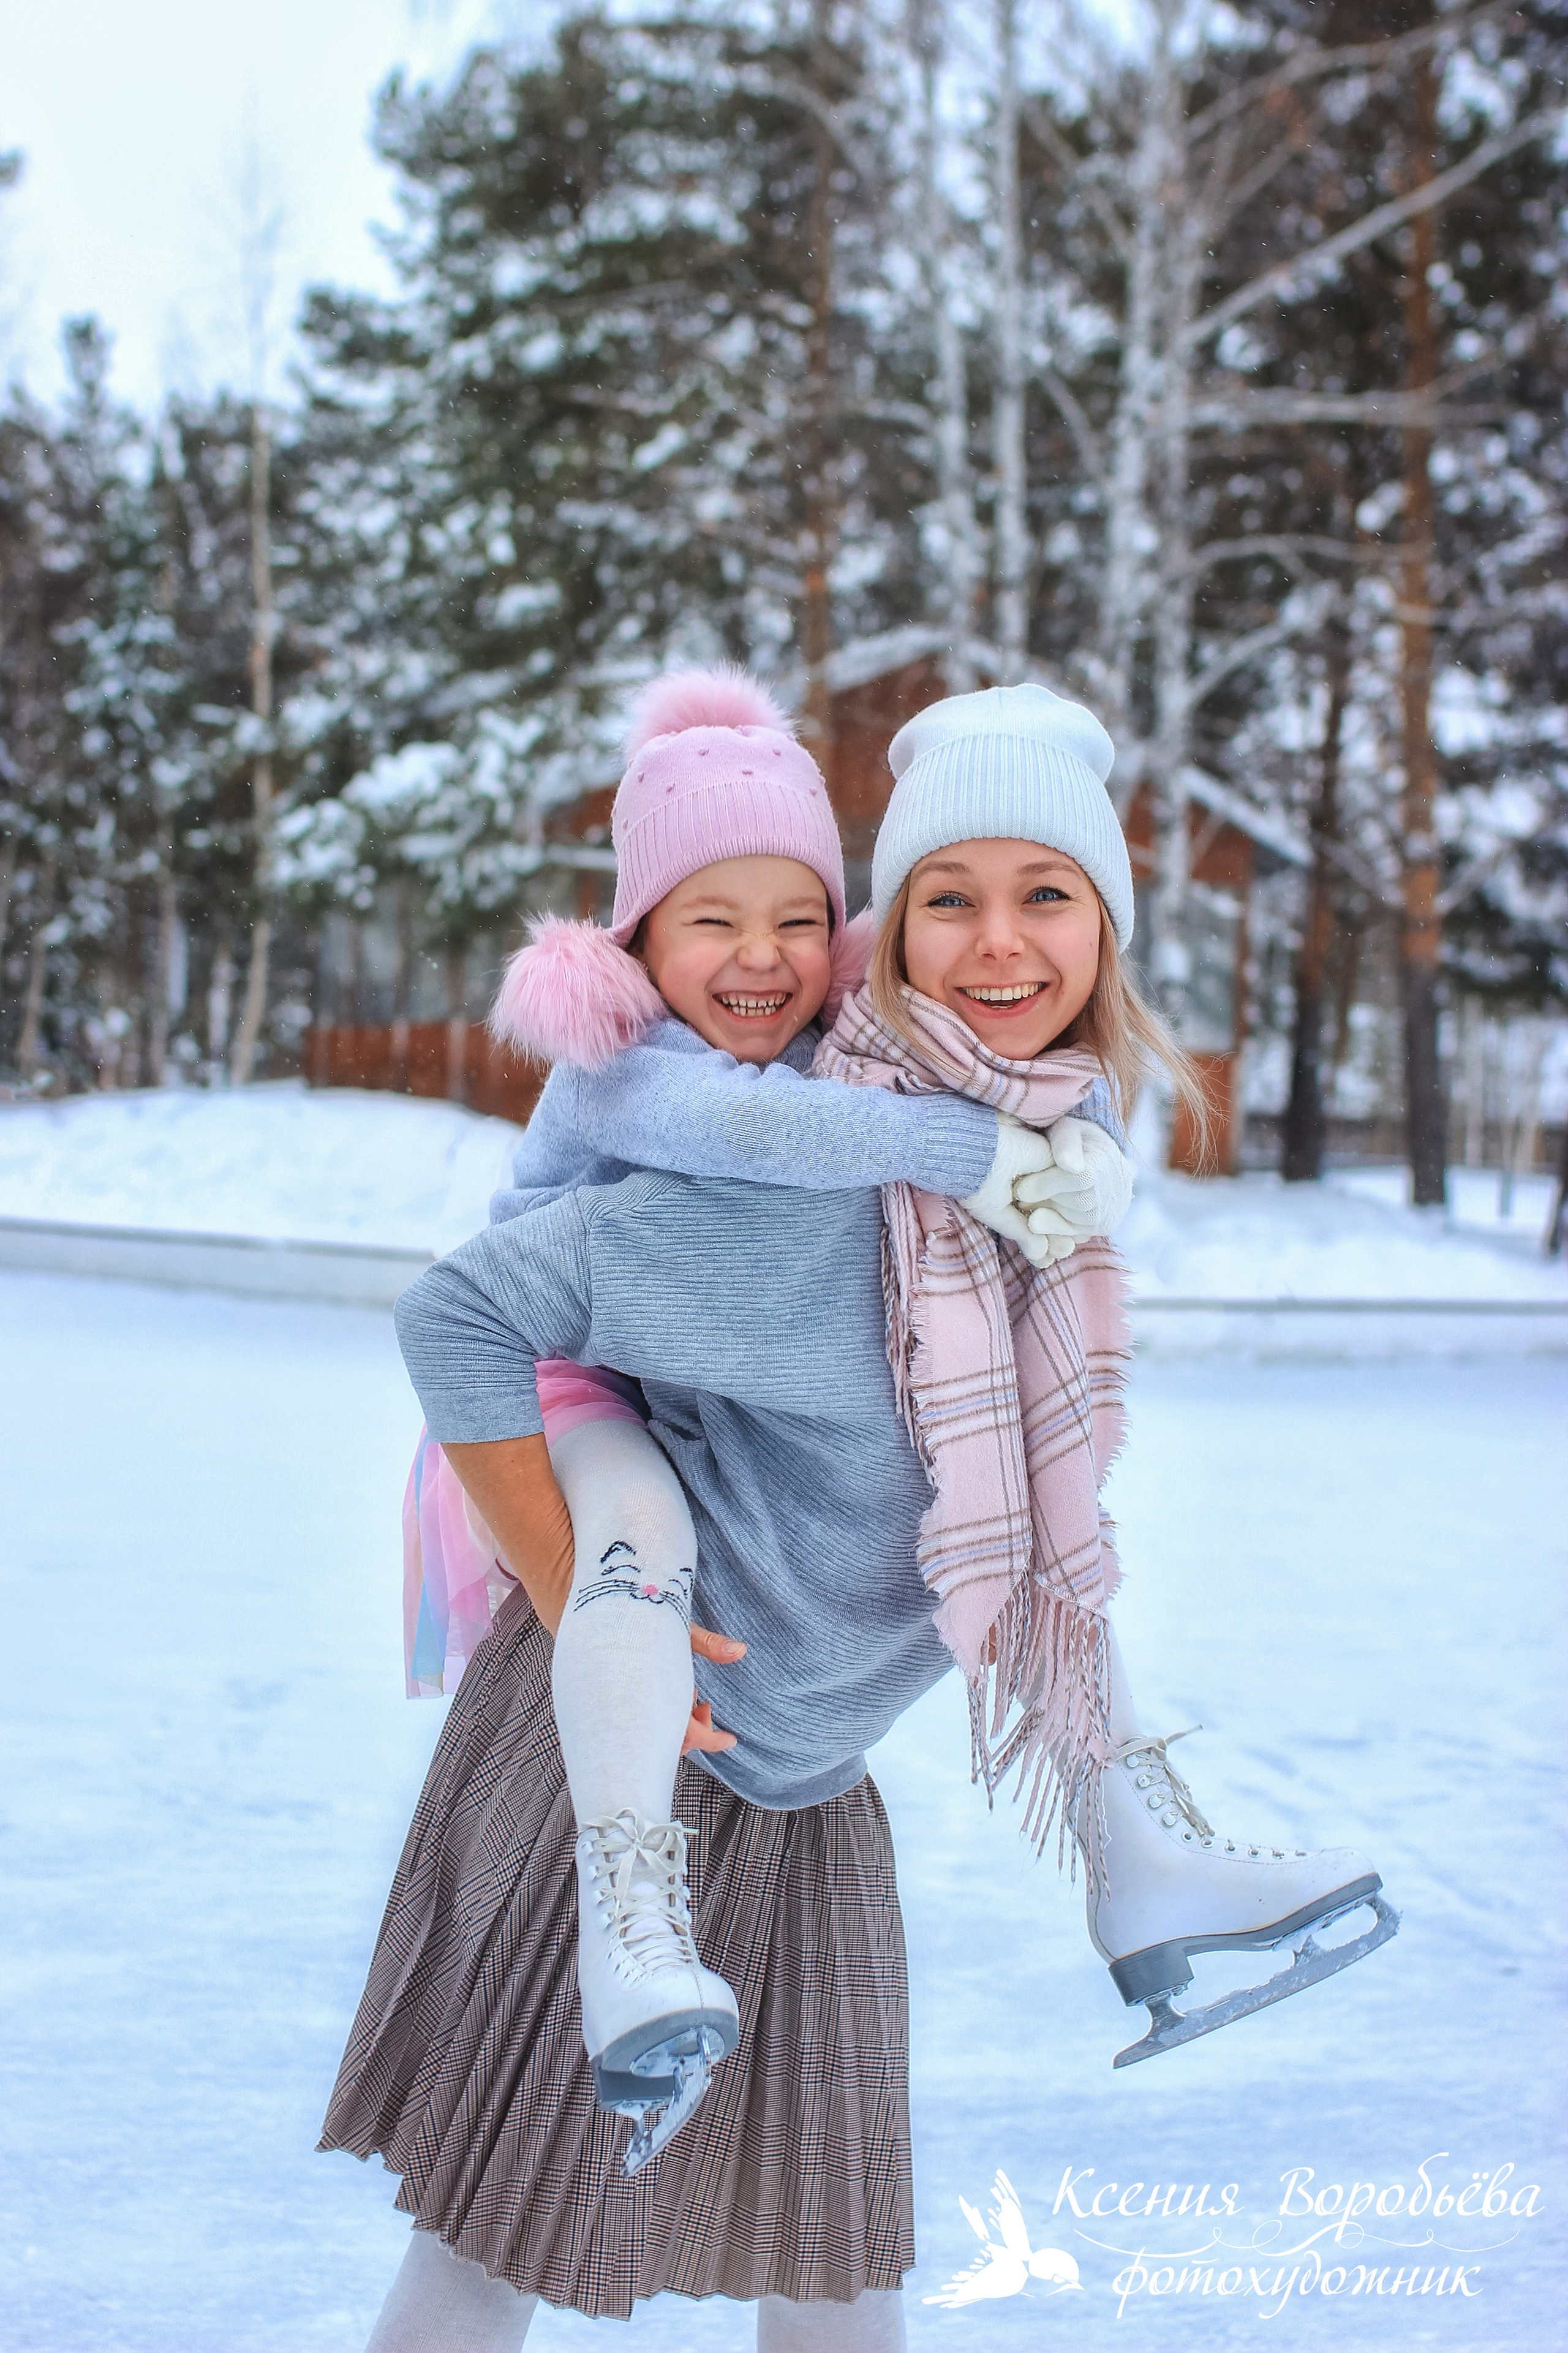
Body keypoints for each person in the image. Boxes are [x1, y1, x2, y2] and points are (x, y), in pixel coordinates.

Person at [325, 681, 1385, 2351]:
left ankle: (1137, 1841)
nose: (998, 941)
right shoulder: (770, 1188)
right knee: (500, 2231)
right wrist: (582, 1581)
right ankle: (650, 1894)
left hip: (803, 1778)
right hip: (638, 1733)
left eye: (1047, 895)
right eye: (952, 899)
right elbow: (466, 1315)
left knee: (832, 2260)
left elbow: (1012, 1501)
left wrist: (1011, 1153)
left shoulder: (1004, 1203)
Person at [398, 670, 1133, 2167]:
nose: (760, 959)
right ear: (637, 944)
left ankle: (1140, 1825)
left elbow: (912, 1104)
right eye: (711, 921)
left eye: (797, 919)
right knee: (636, 1541)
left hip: (680, 1385)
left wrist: (1073, 1136)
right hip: (565, 1386)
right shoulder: (628, 1069)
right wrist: (974, 1148)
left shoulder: (812, 1061)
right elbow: (749, 1136)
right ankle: (626, 1905)